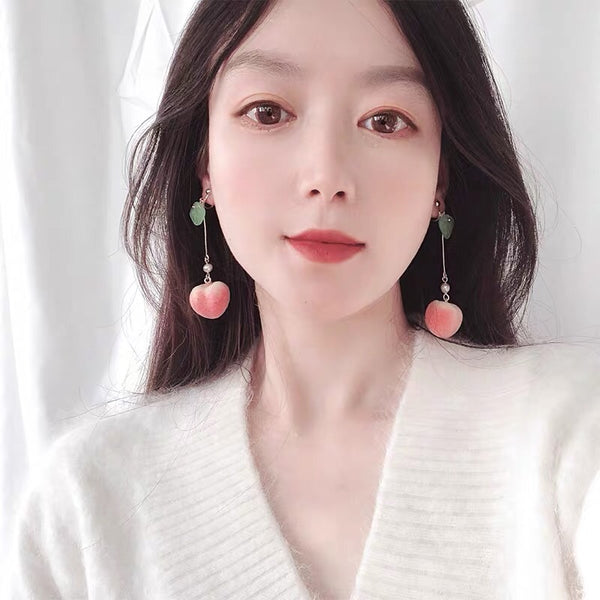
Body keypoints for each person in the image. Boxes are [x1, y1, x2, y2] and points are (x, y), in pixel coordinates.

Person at [6, 0, 600, 599]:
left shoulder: (572, 435)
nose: (327, 176)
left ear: (440, 176)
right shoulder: (88, 506)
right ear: (204, 163)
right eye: (267, 112)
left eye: (386, 120)